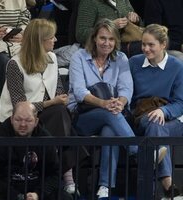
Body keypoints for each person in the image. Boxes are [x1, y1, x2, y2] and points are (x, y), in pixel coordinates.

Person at [0, 18, 78, 195]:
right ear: (39, 41)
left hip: (48, 115)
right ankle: (66, 175)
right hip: (19, 119)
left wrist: (63, 98)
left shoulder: (52, 58)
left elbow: (58, 89)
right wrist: (52, 103)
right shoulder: (15, 64)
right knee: (59, 112)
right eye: (51, 37)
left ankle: (61, 173)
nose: (55, 40)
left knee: (62, 112)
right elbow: (19, 105)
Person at [68, 18, 138, 199]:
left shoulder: (121, 58)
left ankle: (104, 187)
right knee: (111, 114)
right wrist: (104, 104)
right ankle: (138, 151)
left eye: (111, 39)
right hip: (82, 116)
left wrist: (120, 102)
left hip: (111, 114)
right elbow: (79, 92)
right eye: (103, 38)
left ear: (116, 41)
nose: (107, 43)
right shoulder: (79, 57)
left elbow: (126, 88)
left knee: (110, 130)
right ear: (94, 38)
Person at [129, 24, 183, 198]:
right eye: (143, 44)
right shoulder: (134, 63)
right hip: (142, 116)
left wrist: (164, 111)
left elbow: (181, 102)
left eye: (151, 45)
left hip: (171, 119)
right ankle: (168, 184)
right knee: (153, 123)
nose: (145, 48)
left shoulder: (177, 66)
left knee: (156, 124)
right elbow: (128, 96)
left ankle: (152, 192)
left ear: (163, 45)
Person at [0, 101, 73, 200]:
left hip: (36, 190)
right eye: (18, 120)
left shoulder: (45, 139)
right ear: (11, 119)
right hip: (7, 191)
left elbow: (54, 174)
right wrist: (16, 196)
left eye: (28, 120)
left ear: (36, 121)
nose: (23, 124)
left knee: (65, 197)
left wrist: (38, 194)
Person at [0, 0, 31, 102]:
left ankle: (29, 104)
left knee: (36, 56)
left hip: (16, 42)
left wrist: (22, 34)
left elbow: (24, 21)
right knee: (2, 61)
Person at [75, 0, 143, 57]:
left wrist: (136, 19)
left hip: (126, 43)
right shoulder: (89, 2)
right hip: (103, 48)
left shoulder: (123, 1)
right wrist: (110, 26)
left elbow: (140, 26)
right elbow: (81, 34)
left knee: (149, 45)